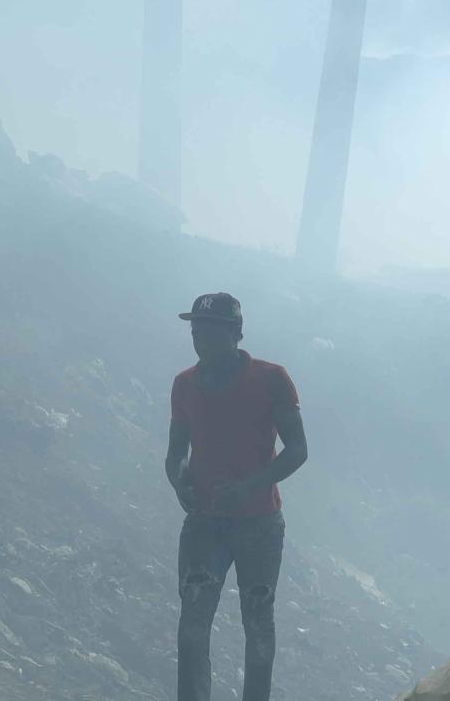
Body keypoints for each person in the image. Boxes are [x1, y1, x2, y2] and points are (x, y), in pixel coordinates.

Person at [165, 292, 308, 701]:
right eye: (196, 331)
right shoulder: (184, 385)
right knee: (193, 625)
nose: (201, 340)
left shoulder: (271, 379)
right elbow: (176, 454)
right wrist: (181, 484)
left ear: (236, 334)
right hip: (205, 523)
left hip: (259, 523)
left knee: (258, 624)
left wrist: (247, 487)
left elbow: (298, 449)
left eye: (210, 331)